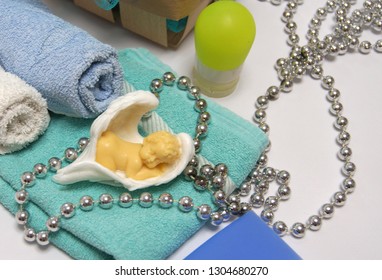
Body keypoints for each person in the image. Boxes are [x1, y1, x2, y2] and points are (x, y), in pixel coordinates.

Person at [95, 130, 181, 180]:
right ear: (146, 141)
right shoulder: (136, 161)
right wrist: (154, 173)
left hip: (110, 138)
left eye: (158, 160)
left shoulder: (138, 146)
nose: (151, 159)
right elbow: (132, 176)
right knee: (109, 169)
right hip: (106, 151)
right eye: (152, 152)